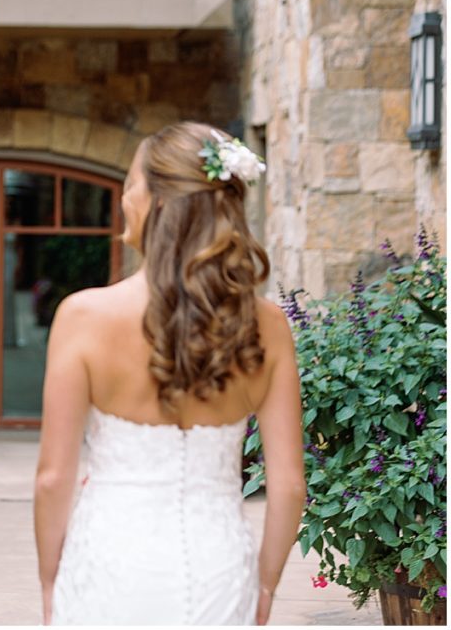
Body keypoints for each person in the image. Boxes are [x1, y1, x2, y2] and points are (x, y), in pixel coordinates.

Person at [34, 122, 306, 625]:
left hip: (110, 564)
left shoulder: (84, 316)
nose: (123, 198)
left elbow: (54, 478)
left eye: (130, 184)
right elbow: (289, 486)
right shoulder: (269, 326)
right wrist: (264, 585)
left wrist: (51, 578)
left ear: (158, 201)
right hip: (220, 570)